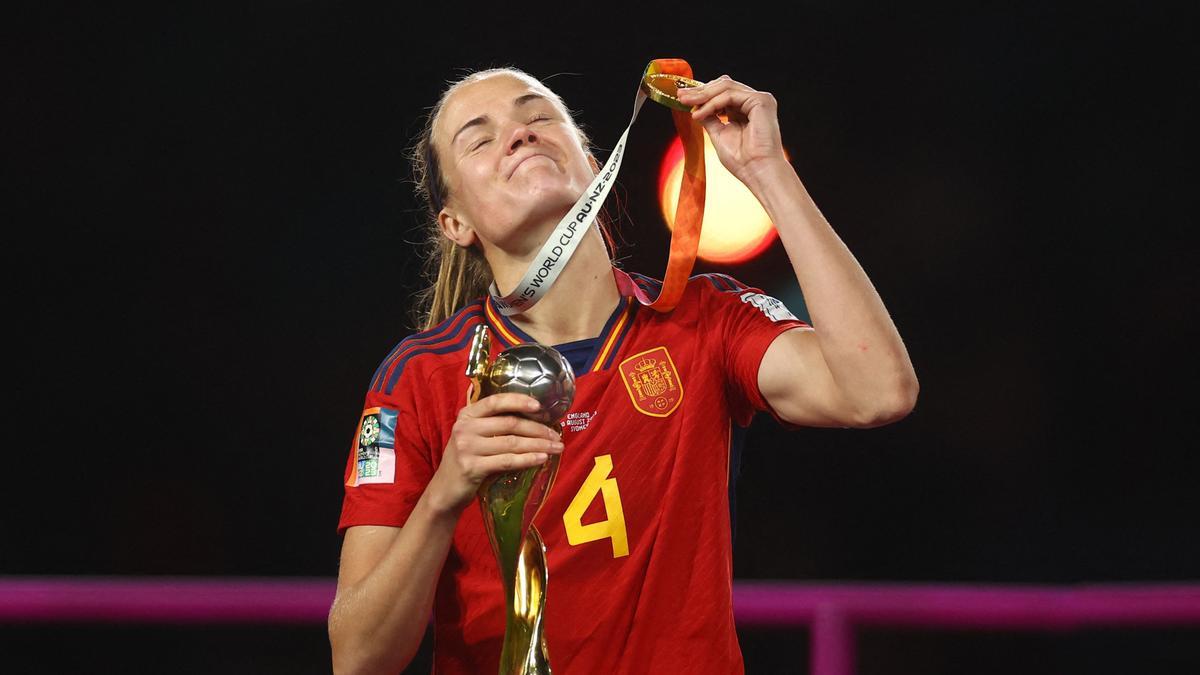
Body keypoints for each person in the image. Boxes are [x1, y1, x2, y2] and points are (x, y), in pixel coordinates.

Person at [327, 67, 918, 674]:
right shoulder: (420, 378)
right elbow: (358, 657)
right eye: (480, 139)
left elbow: (878, 392)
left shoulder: (706, 321)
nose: (520, 136)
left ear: (591, 161)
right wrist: (446, 492)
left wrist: (770, 172)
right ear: (456, 225)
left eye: (538, 118)